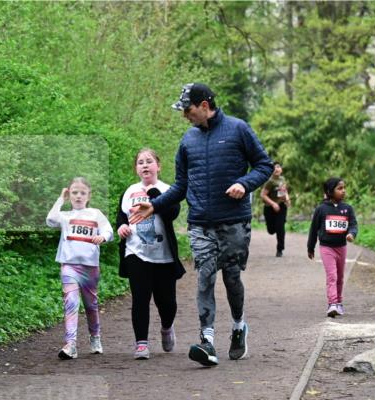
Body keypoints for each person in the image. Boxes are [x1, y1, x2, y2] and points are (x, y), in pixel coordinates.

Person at [129, 83, 272, 366]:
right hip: (200, 224)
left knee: (231, 278)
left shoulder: (238, 129)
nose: (185, 116)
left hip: (233, 221)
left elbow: (264, 165)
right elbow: (182, 184)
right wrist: (155, 205)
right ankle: (207, 342)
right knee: (205, 278)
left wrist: (244, 183)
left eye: (188, 110)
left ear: (204, 106)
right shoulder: (188, 140)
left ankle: (238, 326)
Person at [116, 148, 184, 360]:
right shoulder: (129, 191)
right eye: (140, 162)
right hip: (136, 252)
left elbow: (173, 213)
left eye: (149, 161)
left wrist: (155, 196)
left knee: (167, 303)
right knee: (140, 298)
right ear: (136, 169)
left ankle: (166, 327)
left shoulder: (168, 190)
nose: (144, 165)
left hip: (163, 254)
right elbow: (121, 217)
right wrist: (121, 228)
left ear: (158, 166)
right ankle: (141, 344)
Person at [45, 177, 114, 359]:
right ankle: (71, 345)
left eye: (82, 193)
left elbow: (109, 230)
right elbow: (50, 219)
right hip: (69, 266)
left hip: (90, 267)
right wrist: (61, 199)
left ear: (88, 196)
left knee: (91, 305)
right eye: (74, 192)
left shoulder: (95, 214)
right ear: (70, 194)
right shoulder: (65, 216)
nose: (78, 196)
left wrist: (103, 237)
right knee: (71, 303)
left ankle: (95, 337)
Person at [308, 177, 357, 317]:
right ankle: (332, 304)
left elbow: (353, 224)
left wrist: (351, 234)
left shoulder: (347, 209)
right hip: (326, 248)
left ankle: (339, 303)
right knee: (332, 276)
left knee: (340, 277)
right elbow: (313, 229)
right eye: (339, 188)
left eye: (344, 188)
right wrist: (310, 247)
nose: (343, 191)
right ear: (330, 191)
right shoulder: (321, 209)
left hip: (341, 247)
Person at [261, 162, 290, 257]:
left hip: (281, 206)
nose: (276, 169)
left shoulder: (282, 179)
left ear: (281, 169)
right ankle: (273, 227)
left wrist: (287, 199)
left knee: (280, 227)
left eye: (278, 167)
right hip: (269, 208)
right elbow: (263, 195)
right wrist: (273, 204)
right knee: (271, 230)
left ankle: (280, 249)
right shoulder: (270, 181)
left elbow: (283, 191)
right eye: (274, 168)